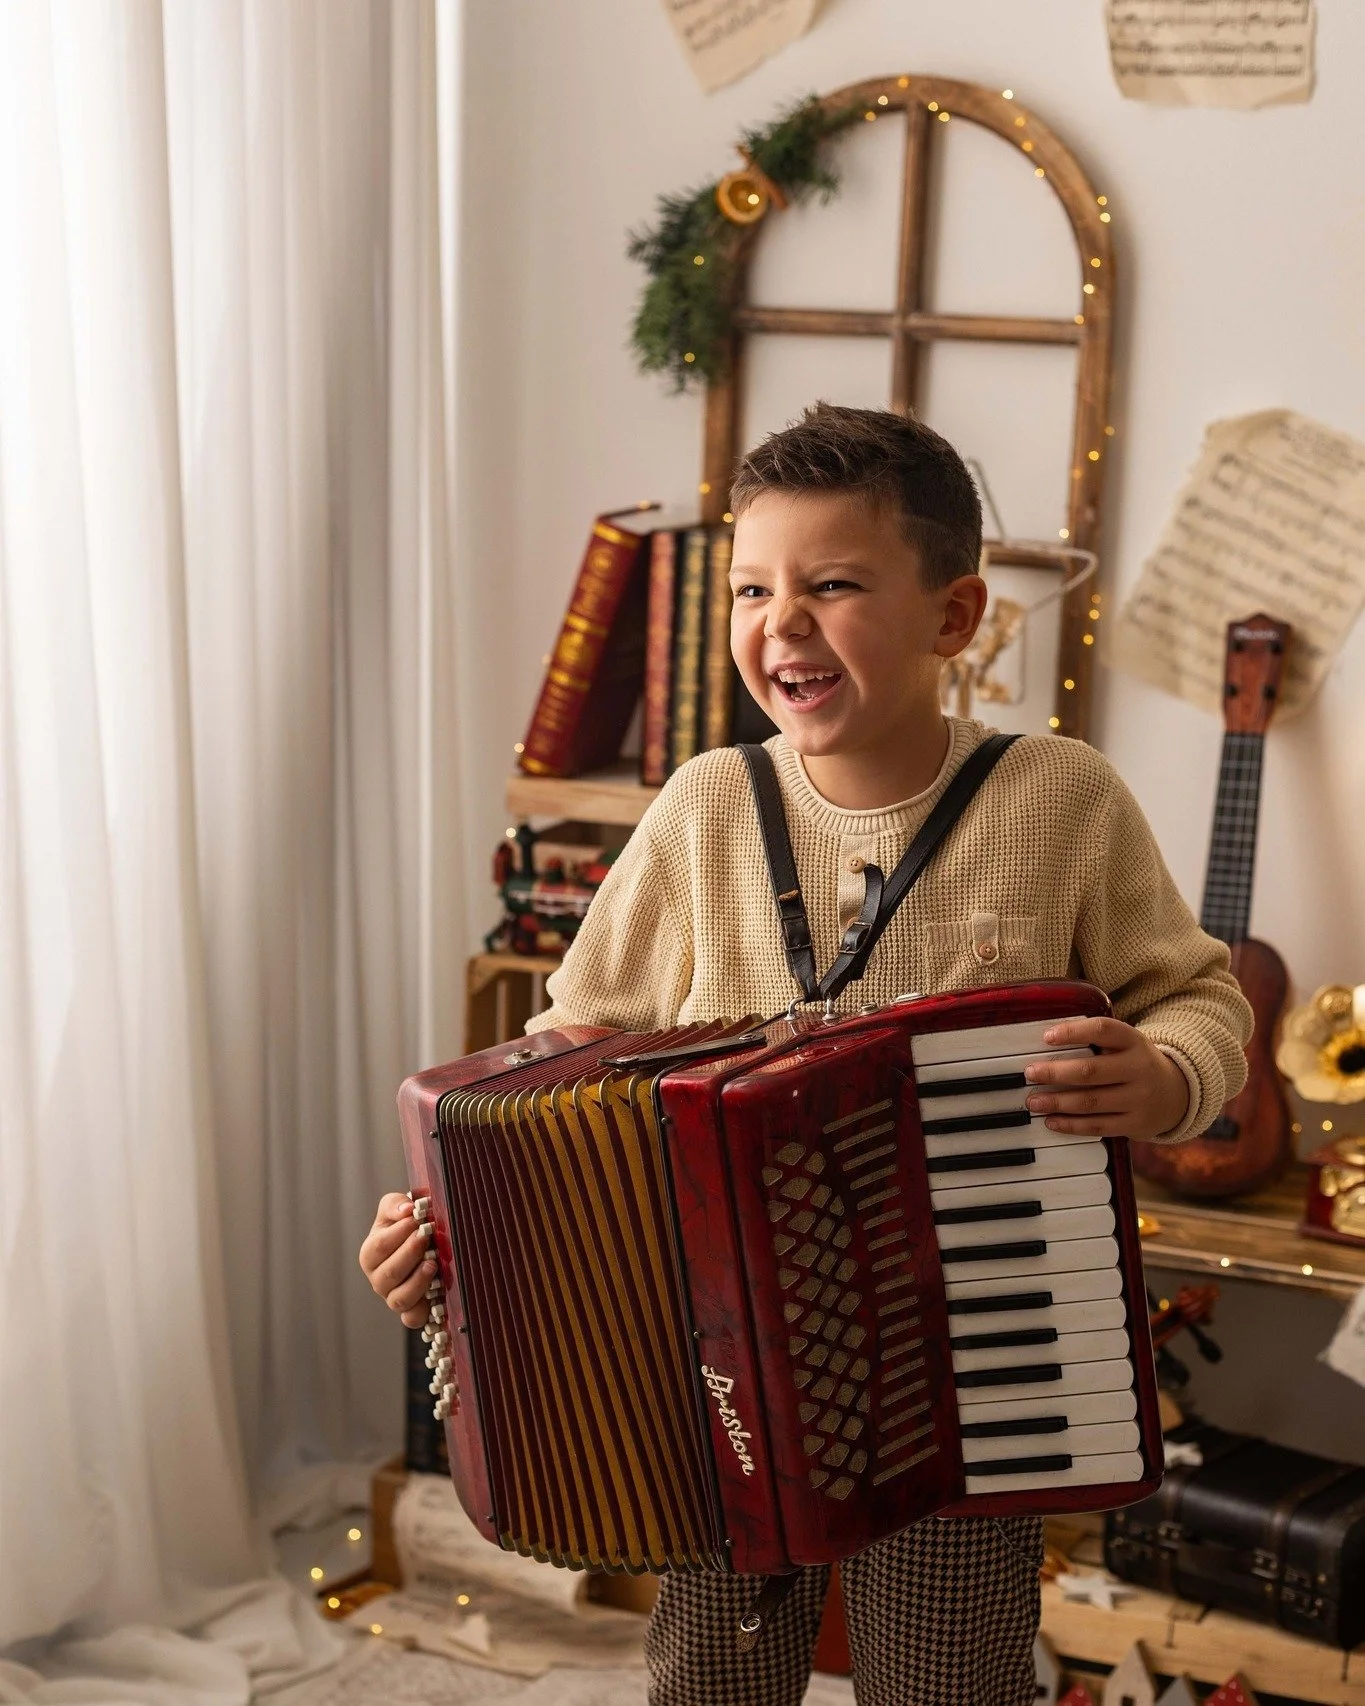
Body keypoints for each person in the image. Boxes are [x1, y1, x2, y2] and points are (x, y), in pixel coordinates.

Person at [360, 402, 1252, 1705]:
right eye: (752, 587)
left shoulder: (1062, 798)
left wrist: (1165, 1072)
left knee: (951, 1679)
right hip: (705, 1361)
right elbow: (556, 1062)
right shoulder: (701, 808)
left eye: (833, 585)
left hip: (968, 1360)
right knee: (706, 1678)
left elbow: (1201, 997)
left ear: (956, 619)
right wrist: (446, 1232)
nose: (782, 621)